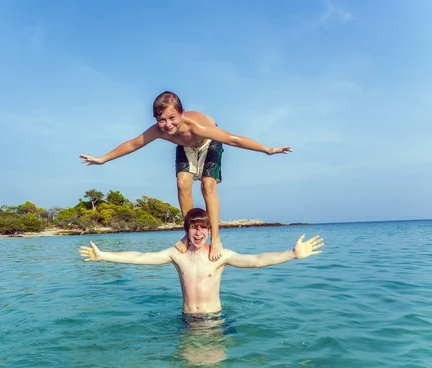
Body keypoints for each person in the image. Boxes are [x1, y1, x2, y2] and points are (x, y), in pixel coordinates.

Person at [79, 91, 292, 262]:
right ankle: (188, 231)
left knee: (207, 185)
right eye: (162, 120)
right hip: (185, 147)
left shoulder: (197, 126)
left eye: (172, 117)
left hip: (208, 143)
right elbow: (134, 144)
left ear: (181, 113)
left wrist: (267, 149)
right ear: (156, 119)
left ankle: (216, 237)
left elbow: (231, 139)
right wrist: (103, 159)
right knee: (182, 184)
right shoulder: (159, 130)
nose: (168, 124)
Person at [79, 208, 323, 316]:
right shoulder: (176, 255)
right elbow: (140, 257)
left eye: (202, 229)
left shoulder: (219, 256)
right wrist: (104, 256)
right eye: (193, 228)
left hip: (213, 320)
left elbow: (256, 260)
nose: (198, 233)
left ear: (208, 231)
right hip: (186, 320)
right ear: (186, 230)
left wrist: (292, 253)